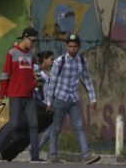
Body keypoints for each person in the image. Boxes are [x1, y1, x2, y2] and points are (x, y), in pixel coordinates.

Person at [0, 27, 46, 163]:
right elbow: (5, 74)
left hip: (29, 95)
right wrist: (1, 94)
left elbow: (32, 72)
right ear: (25, 38)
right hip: (15, 94)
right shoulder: (12, 53)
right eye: (32, 41)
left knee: (34, 124)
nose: (33, 44)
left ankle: (34, 156)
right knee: (13, 124)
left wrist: (36, 81)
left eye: (35, 41)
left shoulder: (32, 55)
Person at [45, 34, 100, 164]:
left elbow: (87, 80)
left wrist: (93, 99)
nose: (72, 49)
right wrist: (49, 101)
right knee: (56, 128)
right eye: (70, 46)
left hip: (74, 99)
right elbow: (52, 82)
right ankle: (53, 155)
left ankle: (86, 155)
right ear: (67, 46)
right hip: (60, 98)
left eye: (75, 46)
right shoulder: (60, 61)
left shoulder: (81, 61)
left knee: (79, 126)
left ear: (79, 47)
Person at [33, 51, 54, 151]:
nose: (53, 62)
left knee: (53, 127)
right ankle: (35, 148)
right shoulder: (37, 71)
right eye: (51, 59)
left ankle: (38, 148)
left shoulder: (52, 72)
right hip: (40, 104)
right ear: (45, 59)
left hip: (49, 103)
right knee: (36, 127)